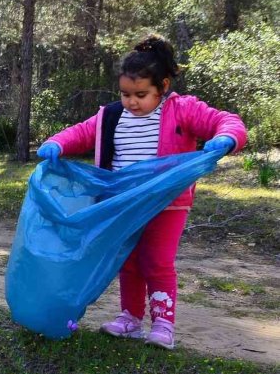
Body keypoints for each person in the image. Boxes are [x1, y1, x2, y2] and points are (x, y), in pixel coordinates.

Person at [37, 34, 246, 350]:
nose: (132, 101)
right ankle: (130, 319)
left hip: (167, 204)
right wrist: (57, 142)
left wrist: (227, 137)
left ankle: (163, 323)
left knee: (157, 261)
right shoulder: (112, 116)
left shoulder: (182, 110)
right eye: (125, 94)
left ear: (163, 86)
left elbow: (225, 120)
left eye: (141, 94)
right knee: (129, 260)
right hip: (123, 205)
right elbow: (83, 131)